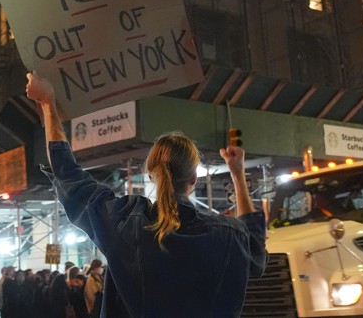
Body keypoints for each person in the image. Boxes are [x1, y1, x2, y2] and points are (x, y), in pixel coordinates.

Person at [26, 72, 267, 317]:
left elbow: (69, 175)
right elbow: (256, 245)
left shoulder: (125, 222)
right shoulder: (229, 236)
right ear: (194, 179)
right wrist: (237, 175)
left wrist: (48, 103)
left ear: (153, 175)